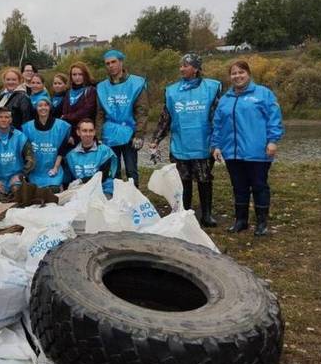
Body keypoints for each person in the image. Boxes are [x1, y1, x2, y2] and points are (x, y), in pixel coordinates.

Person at [211, 60, 284, 236]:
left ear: (248, 74)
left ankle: (261, 223)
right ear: (230, 77)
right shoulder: (225, 99)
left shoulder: (263, 94)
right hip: (232, 152)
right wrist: (215, 145)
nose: (237, 76)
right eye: (234, 73)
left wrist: (273, 140)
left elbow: (274, 118)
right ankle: (241, 221)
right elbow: (218, 124)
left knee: (259, 186)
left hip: (257, 151)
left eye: (241, 72)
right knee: (239, 187)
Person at [149, 54, 222, 227]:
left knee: (205, 180)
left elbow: (217, 118)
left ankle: (207, 214)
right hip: (180, 145)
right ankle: (184, 214)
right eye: (180, 65)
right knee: (183, 182)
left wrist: (217, 143)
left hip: (203, 145)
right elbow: (165, 119)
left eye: (186, 65)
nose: (181, 69)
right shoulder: (172, 91)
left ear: (196, 68)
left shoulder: (211, 88)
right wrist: (156, 140)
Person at [95, 49, 148, 187]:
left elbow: (141, 111)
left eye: (113, 62)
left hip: (130, 133)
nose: (111, 66)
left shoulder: (136, 83)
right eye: (107, 63)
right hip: (110, 133)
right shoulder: (102, 87)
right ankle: (116, 200)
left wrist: (139, 134)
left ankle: (134, 198)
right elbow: (100, 114)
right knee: (114, 170)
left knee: (131, 170)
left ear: (121, 62)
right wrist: (98, 136)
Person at [0, 106, 35, 201]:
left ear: (11, 119)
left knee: (18, 199)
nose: (3, 120)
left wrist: (21, 175)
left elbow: (31, 159)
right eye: (0, 117)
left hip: (16, 180)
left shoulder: (20, 136)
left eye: (7, 117)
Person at [22, 98, 71, 190]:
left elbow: (62, 150)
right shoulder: (27, 127)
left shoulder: (61, 126)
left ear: (50, 107)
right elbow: (26, 152)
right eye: (40, 105)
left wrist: (56, 168)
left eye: (46, 105)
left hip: (54, 170)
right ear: (35, 108)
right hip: (35, 172)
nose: (43, 108)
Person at [65, 119, 119, 197]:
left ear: (94, 132)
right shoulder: (71, 155)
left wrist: (82, 180)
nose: (88, 134)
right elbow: (68, 178)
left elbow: (104, 175)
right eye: (84, 131)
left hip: (103, 190)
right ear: (78, 132)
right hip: (81, 191)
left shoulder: (105, 151)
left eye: (91, 131)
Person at [61, 61, 97, 145]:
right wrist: (68, 135)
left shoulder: (91, 90)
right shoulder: (68, 92)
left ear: (85, 75)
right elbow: (64, 113)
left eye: (80, 74)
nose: (77, 77)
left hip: (86, 134)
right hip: (71, 136)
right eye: (74, 74)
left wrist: (67, 116)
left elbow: (86, 112)